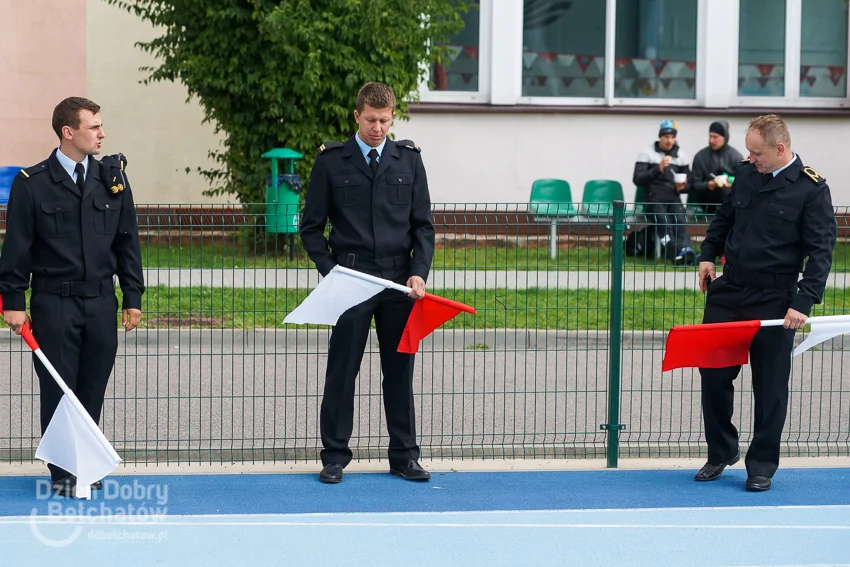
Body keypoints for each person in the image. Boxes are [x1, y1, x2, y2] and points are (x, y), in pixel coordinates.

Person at [0, 97, 144, 497]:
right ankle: (64, 471)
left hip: (100, 302)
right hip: (54, 303)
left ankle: (88, 464)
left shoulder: (112, 179)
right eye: (94, 126)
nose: (102, 133)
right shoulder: (33, 183)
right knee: (59, 388)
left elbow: (127, 242)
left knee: (92, 386)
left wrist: (132, 295)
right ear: (68, 131)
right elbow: (17, 247)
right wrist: (13, 301)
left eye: (100, 126)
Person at [300, 82, 435, 484]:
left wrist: (418, 272)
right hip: (351, 280)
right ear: (356, 116)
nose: (378, 128)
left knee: (400, 371)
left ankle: (404, 456)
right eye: (371, 120)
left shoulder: (408, 160)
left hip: (398, 282)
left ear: (392, 118)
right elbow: (311, 229)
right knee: (343, 371)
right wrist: (333, 271)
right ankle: (335, 456)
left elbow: (423, 227)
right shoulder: (331, 162)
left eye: (385, 120)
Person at [694, 114, 836, 492]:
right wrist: (708, 254)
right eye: (750, 152)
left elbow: (821, 252)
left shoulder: (811, 189)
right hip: (730, 292)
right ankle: (722, 450)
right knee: (714, 374)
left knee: (770, 387)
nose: (751, 158)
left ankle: (761, 466)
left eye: (757, 153)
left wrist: (804, 301)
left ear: (780, 149)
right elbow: (724, 219)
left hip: (776, 299)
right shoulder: (746, 173)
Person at [632, 119, 696, 265]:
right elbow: (637, 179)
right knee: (664, 222)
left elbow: (689, 183)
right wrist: (657, 169)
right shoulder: (646, 153)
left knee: (680, 222)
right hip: (652, 200)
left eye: (672, 137)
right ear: (660, 137)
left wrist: (683, 187)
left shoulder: (681, 156)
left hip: (673, 199)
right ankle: (677, 253)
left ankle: (684, 252)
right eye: (666, 137)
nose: (669, 140)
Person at [688, 120, 744, 215]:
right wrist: (708, 185)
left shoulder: (736, 157)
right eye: (710, 136)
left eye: (715, 137)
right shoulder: (700, 157)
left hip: (730, 204)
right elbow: (694, 184)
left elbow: (744, 182)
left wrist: (731, 183)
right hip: (705, 204)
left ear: (724, 137)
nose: (711, 140)